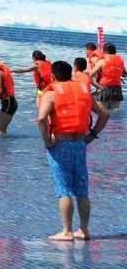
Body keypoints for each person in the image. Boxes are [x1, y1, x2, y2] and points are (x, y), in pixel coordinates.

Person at [37, 60, 110, 241]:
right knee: (82, 189)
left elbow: (41, 119)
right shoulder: (84, 91)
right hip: (79, 145)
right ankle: (83, 230)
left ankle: (67, 231)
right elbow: (104, 114)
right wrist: (91, 136)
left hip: (60, 146)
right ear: (70, 74)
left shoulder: (51, 94)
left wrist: (46, 141)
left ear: (53, 76)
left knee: (64, 189)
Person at [88, 42, 124, 111]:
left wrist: (88, 64)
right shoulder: (121, 60)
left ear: (104, 51)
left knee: (102, 112)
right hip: (117, 88)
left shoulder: (102, 61)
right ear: (115, 51)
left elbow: (90, 75)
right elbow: (124, 75)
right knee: (114, 112)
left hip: (104, 87)